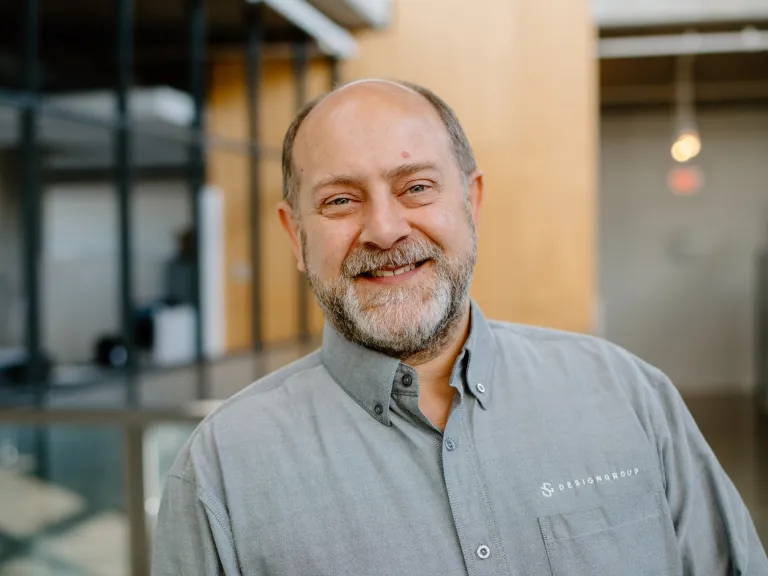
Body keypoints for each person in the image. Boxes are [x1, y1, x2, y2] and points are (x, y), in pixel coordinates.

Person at [152, 79, 768, 576]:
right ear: (295, 234)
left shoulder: (630, 396)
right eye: (341, 200)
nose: (385, 230)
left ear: (470, 202)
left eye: (416, 187)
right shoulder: (221, 470)